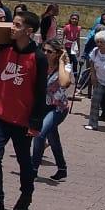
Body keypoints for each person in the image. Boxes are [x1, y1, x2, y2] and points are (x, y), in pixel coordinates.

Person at [0, 11, 47, 210]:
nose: (11, 28)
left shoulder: (38, 57)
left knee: (24, 161)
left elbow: (40, 92)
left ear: (29, 30)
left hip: (22, 121)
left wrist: (35, 124)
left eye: (16, 25)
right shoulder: (5, 50)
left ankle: (26, 193)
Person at [31, 38, 72, 181]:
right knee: (53, 139)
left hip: (58, 108)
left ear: (57, 53)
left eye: (50, 51)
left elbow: (64, 83)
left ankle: (33, 169)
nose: (46, 53)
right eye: (44, 50)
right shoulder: (40, 63)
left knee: (39, 134)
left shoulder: (65, 66)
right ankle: (62, 169)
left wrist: (61, 62)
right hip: (43, 106)